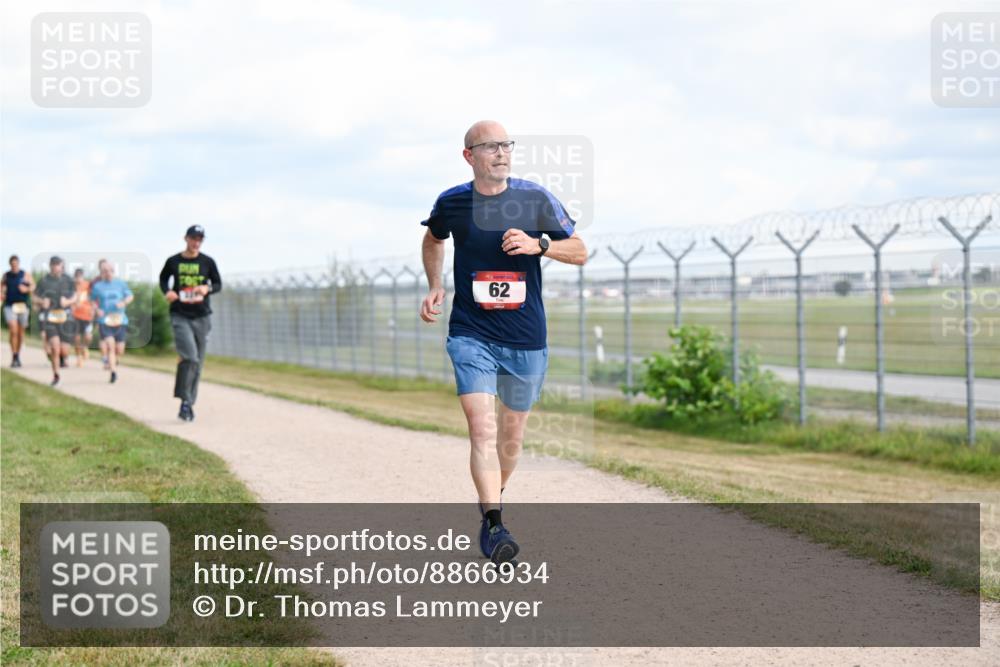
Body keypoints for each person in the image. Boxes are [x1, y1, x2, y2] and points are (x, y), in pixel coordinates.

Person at [419, 121, 587, 564]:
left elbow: (581, 250)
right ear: (469, 155)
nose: (501, 153)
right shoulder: (452, 202)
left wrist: (541, 244)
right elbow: (433, 238)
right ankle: (494, 525)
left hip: (525, 337)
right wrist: (436, 283)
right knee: (482, 427)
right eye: (490, 146)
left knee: (510, 438)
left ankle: (493, 497)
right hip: (471, 333)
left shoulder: (534, 199)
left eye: (506, 145)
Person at [159, 225, 222, 421]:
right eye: (193, 238)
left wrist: (206, 288)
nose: (196, 243)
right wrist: (167, 292)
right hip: (180, 315)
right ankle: (185, 399)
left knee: (198, 363)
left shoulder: (207, 262)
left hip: (202, 316)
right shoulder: (173, 261)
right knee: (190, 357)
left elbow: (218, 284)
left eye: (200, 239)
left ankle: (187, 403)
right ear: (185, 238)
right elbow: (163, 279)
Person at [34, 256, 76, 386]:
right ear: (50, 266)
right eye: (54, 265)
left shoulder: (68, 279)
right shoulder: (44, 281)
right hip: (50, 318)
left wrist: (68, 301)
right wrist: (42, 301)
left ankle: (63, 358)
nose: (57, 267)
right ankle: (56, 376)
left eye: (59, 265)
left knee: (64, 350)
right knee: (55, 347)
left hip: (65, 318)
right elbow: (34, 297)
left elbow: (75, 296)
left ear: (62, 266)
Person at [91, 260, 134, 383]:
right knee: (110, 346)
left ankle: (113, 360)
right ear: (101, 273)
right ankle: (113, 372)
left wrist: (124, 302)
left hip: (120, 320)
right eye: (104, 271)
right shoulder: (97, 286)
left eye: (110, 271)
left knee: (120, 349)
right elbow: (93, 301)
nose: (108, 273)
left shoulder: (120, 284)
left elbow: (130, 296)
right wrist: (97, 309)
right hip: (105, 320)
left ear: (113, 271)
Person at [2, 255, 34, 367]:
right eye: (12, 264)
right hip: (10, 306)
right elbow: (1, 288)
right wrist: (2, 294)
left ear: (19, 264)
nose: (14, 266)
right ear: (10, 264)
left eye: (16, 264)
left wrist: (27, 289)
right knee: (13, 330)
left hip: (22, 306)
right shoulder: (6, 276)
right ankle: (14, 355)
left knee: (20, 333)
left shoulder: (25, 274)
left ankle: (18, 355)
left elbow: (33, 287)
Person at [71, 268, 95, 366]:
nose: (78, 279)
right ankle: (78, 357)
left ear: (82, 277)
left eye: (80, 277)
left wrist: (93, 309)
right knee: (76, 338)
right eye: (76, 277)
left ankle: (85, 347)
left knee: (88, 336)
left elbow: (93, 298)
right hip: (75, 315)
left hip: (87, 315)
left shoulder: (88, 285)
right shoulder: (71, 286)